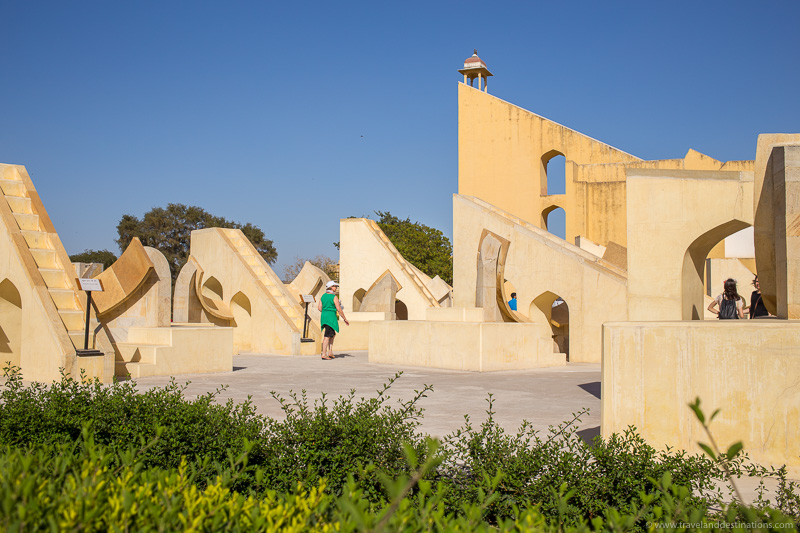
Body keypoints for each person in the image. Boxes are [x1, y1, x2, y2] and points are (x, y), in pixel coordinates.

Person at [317, 280, 349, 360]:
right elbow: (339, 309)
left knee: (332, 334)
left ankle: (330, 352)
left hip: (324, 317)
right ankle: (324, 354)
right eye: (335, 286)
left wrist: (326, 311)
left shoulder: (323, 296)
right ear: (331, 287)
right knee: (327, 336)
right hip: (331, 318)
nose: (336, 288)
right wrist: (345, 319)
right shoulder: (334, 297)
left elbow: (319, 308)